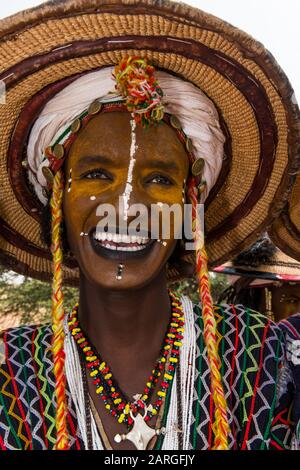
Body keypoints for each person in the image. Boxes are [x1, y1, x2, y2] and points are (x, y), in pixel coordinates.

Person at [0, 0, 299, 451]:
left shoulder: (269, 361)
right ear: (56, 199)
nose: (124, 206)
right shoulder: (9, 369)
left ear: (188, 205)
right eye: (97, 174)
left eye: (159, 179)